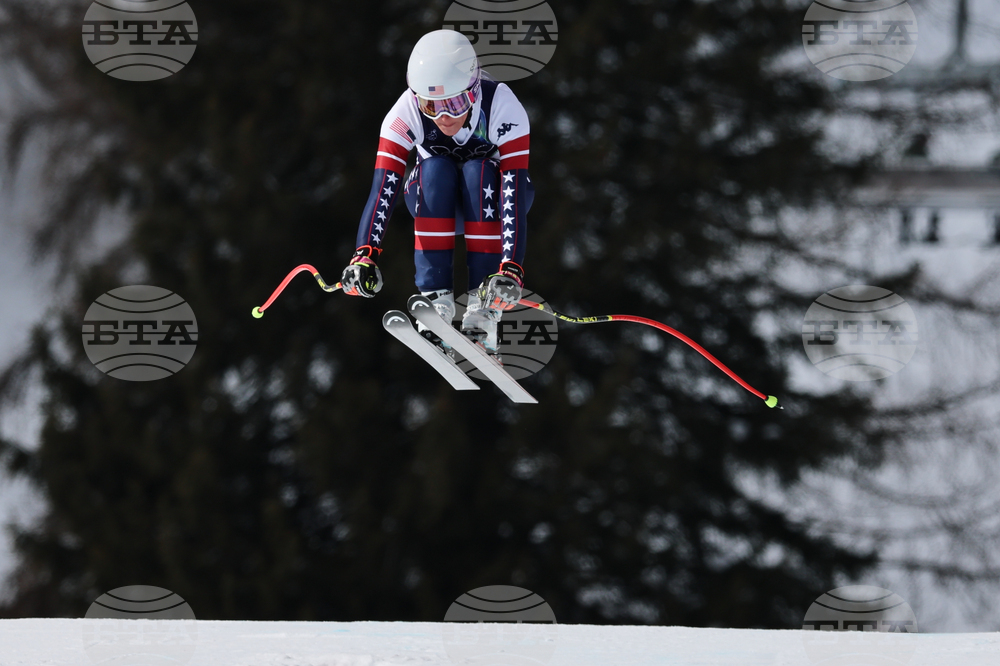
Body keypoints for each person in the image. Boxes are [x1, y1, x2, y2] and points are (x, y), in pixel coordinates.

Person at [340, 29, 533, 360]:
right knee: (435, 169)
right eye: (432, 106)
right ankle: (435, 300)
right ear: (418, 100)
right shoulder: (403, 114)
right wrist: (364, 254)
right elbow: (382, 188)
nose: (444, 118)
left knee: (478, 170)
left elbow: (513, 190)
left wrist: (510, 267)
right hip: (435, 204)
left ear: (472, 93)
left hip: (494, 203)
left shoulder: (501, 105)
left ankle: (483, 310)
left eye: (455, 103)